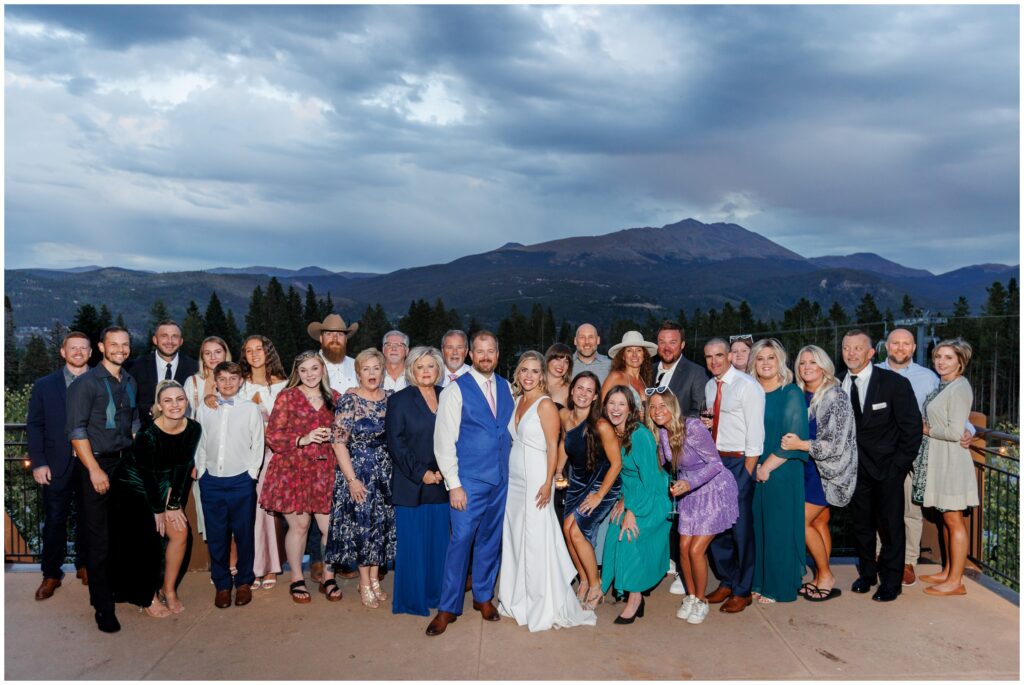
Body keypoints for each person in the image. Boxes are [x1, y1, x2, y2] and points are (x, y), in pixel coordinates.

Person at [498, 351, 596, 631]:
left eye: (534, 371)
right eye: (524, 370)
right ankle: (518, 598)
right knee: (517, 539)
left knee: (536, 540)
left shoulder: (545, 405)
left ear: (542, 375)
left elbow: (555, 445)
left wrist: (549, 480)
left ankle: (541, 603)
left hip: (536, 479)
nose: (528, 376)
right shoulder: (518, 401)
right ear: (518, 374)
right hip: (515, 479)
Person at [426, 330, 514, 636]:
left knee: (490, 541)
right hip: (469, 482)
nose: (486, 357)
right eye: (480, 351)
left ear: (498, 355)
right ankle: (448, 607)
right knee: (460, 541)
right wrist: (454, 484)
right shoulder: (455, 390)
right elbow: (443, 441)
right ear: (470, 355)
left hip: (501, 481)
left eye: (491, 351)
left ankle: (483, 597)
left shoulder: (505, 387)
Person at [877, 327, 974, 587]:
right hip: (880, 455)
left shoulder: (928, 377)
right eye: (895, 343)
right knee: (879, 510)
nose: (900, 347)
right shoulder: (873, 372)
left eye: (906, 343)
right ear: (887, 346)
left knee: (913, 510)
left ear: (913, 348)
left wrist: (969, 430)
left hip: (918, 454)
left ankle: (909, 562)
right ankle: (881, 558)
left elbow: (957, 418)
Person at [840, 329, 922, 602]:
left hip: (888, 470)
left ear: (872, 352)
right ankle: (867, 574)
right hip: (854, 470)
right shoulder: (839, 385)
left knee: (891, 528)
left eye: (857, 348)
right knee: (861, 526)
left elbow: (911, 429)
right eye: (846, 348)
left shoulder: (893, 383)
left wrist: (898, 466)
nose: (851, 353)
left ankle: (892, 581)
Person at [66, 325, 139, 633]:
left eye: (125, 344)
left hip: (125, 464)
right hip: (96, 466)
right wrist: (94, 470)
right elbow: (77, 431)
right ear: (101, 347)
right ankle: (103, 607)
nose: (120, 349)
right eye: (114, 344)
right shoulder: (86, 384)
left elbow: (133, 421)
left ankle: (118, 590)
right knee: (98, 540)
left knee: (121, 533)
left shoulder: (130, 380)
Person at [110, 380, 200, 617]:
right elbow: (148, 475)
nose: (175, 405)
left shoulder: (193, 428)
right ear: (158, 405)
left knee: (180, 533)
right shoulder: (147, 434)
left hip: (164, 484)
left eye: (180, 399)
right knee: (148, 537)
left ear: (187, 402)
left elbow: (182, 467)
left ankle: (168, 590)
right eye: (168, 400)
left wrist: (173, 504)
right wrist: (159, 509)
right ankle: (147, 596)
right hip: (132, 485)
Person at [646, 388, 737, 624]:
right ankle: (691, 596)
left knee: (696, 549)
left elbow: (716, 464)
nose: (657, 411)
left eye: (662, 406)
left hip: (713, 489)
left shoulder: (693, 427)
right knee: (684, 545)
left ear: (673, 406)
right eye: (653, 407)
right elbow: (658, 463)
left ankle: (701, 601)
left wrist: (689, 483)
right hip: (688, 492)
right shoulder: (663, 433)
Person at [261, 351, 340, 605]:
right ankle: (297, 578)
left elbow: (346, 434)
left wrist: (336, 435)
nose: (309, 374)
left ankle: (329, 576)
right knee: (300, 527)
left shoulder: (335, 397)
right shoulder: (287, 397)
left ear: (322, 370)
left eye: (314, 369)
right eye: (304, 370)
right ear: (297, 373)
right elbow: (273, 435)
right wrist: (302, 439)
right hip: (292, 470)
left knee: (330, 528)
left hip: (325, 470)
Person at [781, 345, 858, 601]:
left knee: (799, 521)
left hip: (827, 472)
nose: (806, 367)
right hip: (805, 468)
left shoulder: (836, 397)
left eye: (812, 362)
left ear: (824, 366)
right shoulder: (799, 394)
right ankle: (819, 575)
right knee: (819, 522)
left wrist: (801, 445)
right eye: (802, 363)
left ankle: (825, 575)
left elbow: (836, 444)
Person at [325, 348, 397, 608]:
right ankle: (364, 582)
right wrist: (352, 480)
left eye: (376, 368)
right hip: (358, 473)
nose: (371, 374)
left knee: (381, 526)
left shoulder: (391, 398)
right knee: (363, 527)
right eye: (365, 369)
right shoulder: (349, 401)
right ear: (358, 373)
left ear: (383, 371)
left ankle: (375, 578)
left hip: (385, 473)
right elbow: (337, 442)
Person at [701, 337, 765, 614]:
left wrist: (748, 473)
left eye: (719, 355)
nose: (714, 361)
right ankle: (727, 580)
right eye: (708, 357)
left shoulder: (747, 386)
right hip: (715, 462)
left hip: (739, 461)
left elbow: (755, 435)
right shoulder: (708, 386)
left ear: (729, 356)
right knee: (717, 529)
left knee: (741, 531)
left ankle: (743, 590)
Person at [194, 362, 264, 609]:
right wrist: (202, 472)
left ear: (241, 381)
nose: (227, 384)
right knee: (216, 536)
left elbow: (258, 443)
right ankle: (222, 584)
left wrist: (251, 474)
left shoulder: (250, 409)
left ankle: (244, 582)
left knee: (244, 534)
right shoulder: (205, 408)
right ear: (215, 381)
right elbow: (200, 442)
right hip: (211, 481)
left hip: (240, 481)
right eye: (222, 379)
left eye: (232, 379)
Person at [911, 339, 978, 597]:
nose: (941, 361)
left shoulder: (959, 387)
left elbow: (953, 431)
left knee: (953, 520)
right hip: (940, 458)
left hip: (951, 461)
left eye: (948, 357)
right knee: (946, 520)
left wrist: (925, 428)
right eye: (938, 356)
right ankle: (948, 570)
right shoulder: (945, 385)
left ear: (960, 361)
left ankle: (955, 581)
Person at [600, 386, 671, 624]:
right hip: (632, 495)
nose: (616, 409)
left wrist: (633, 510)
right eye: (612, 403)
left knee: (629, 534)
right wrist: (622, 500)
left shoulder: (639, 435)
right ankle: (601, 588)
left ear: (631, 409)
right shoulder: (614, 432)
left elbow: (651, 482)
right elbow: (626, 475)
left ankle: (635, 597)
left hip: (653, 498)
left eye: (622, 404)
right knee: (612, 532)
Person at [28, 331, 91, 601]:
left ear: (91, 352)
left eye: (83, 348)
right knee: (55, 520)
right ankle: (51, 574)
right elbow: (35, 425)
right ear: (63, 352)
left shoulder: (102, 381)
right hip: (56, 464)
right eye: (72, 348)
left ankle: (86, 565)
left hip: (92, 463)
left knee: (92, 519)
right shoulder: (45, 385)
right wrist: (39, 462)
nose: (78, 352)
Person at [386, 347, 449, 616]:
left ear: (438, 370)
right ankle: (412, 600)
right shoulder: (399, 400)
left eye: (431, 367)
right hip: (412, 484)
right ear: (412, 370)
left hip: (443, 483)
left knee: (438, 544)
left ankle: (436, 594)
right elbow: (396, 443)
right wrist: (422, 473)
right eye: (420, 367)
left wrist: (446, 471)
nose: (425, 372)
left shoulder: (448, 396)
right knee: (413, 545)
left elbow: (456, 437)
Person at [747, 339, 808, 604]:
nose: (766, 363)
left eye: (771, 357)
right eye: (760, 358)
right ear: (753, 363)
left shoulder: (790, 392)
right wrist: (752, 468)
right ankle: (759, 580)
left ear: (780, 361)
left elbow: (792, 436)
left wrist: (766, 467)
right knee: (757, 527)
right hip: (752, 468)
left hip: (780, 470)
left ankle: (779, 585)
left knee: (778, 528)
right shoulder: (750, 392)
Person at [556, 371, 622, 611]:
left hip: (602, 484)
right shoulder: (565, 415)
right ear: (572, 391)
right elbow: (565, 441)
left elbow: (616, 464)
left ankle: (596, 586)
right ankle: (583, 578)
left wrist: (599, 495)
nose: (583, 393)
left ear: (595, 397)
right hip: (578, 483)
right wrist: (559, 469)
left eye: (589, 390)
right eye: (579, 388)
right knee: (567, 529)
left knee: (578, 533)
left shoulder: (602, 425)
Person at [308, 313, 360, 581]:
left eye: (340, 334)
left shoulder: (356, 365)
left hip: (352, 444)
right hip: (318, 443)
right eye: (329, 334)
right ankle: (318, 558)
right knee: (318, 500)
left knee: (347, 500)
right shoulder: (311, 366)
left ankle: (345, 558)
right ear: (321, 337)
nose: (335, 338)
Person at [238, 335, 288, 590]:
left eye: (260, 349)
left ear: (269, 352)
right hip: (243, 457)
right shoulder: (239, 385)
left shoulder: (285, 386)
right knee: (246, 513)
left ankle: (269, 566)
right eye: (249, 350)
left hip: (273, 457)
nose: (255, 354)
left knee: (266, 511)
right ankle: (252, 566)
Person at [182, 336, 231, 565]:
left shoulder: (234, 379)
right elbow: (185, 425)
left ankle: (234, 560)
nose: (213, 357)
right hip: (203, 455)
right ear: (202, 357)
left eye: (217, 352)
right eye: (207, 353)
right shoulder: (192, 383)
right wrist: (193, 462)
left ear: (225, 354)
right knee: (208, 511)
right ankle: (218, 563)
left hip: (232, 455)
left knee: (233, 510)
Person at [126, 319, 198, 428]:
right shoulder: (135, 367)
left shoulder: (194, 369)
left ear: (181, 341)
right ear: (155, 340)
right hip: (144, 435)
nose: (170, 341)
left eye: (175, 336)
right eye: (164, 336)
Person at [653, 321, 708, 416]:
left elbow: (698, 411)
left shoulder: (696, 373)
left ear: (682, 345)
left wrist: (674, 427)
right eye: (662, 342)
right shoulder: (649, 370)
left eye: (672, 342)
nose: (667, 348)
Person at [601, 331, 656, 407]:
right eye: (629, 350)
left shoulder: (644, 381)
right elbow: (600, 406)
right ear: (623, 356)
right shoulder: (616, 376)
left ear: (644, 356)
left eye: (639, 350)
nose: (634, 355)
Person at [544, 343, 574, 408]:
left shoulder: (570, 390)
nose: (561, 365)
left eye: (566, 361)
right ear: (548, 360)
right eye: (558, 359)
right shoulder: (535, 383)